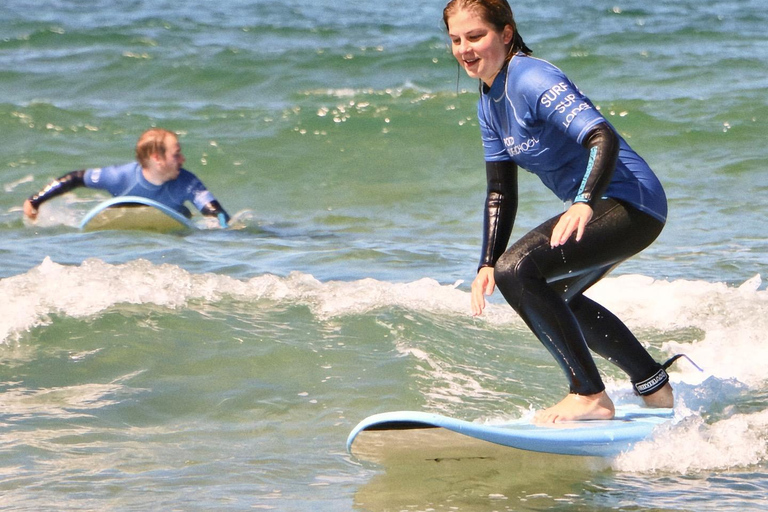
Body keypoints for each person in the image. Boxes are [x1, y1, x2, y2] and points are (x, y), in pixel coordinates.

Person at [443, 0, 675, 423]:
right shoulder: (488, 100)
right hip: (609, 205)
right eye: (456, 40)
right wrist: (485, 263)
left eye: (476, 36)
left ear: (506, 33)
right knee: (555, 293)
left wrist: (585, 200)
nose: (465, 49)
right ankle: (654, 387)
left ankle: (588, 394)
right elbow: (499, 190)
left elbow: (602, 136)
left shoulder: (532, 77)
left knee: (520, 271)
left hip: (630, 201)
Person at [23, 128, 230, 227]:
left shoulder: (186, 181)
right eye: (176, 155)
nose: (183, 159)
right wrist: (35, 201)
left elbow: (217, 213)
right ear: (157, 158)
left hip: (174, 235)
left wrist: (224, 229)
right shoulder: (119, 176)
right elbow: (76, 178)